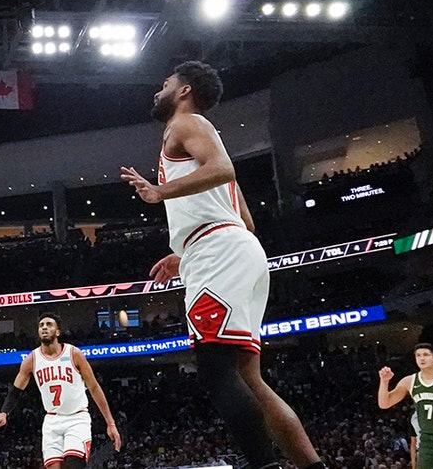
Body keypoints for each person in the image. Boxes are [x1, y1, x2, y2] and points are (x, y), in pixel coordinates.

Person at [120, 60, 328, 469]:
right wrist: (186, 253)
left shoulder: (186, 124)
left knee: (215, 371)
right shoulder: (198, 141)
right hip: (233, 249)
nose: (156, 91)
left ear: (184, 90)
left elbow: (224, 169)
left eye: (164, 83)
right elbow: (245, 220)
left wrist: (160, 192)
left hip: (220, 255)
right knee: (251, 379)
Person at [0, 313, 121, 469]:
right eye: (41, 325)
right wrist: (3, 413)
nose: (44, 327)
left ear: (58, 332)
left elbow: (94, 388)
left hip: (77, 419)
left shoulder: (74, 354)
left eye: (49, 324)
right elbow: (16, 390)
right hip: (52, 421)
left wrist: (110, 423)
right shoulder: (32, 359)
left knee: (73, 465)